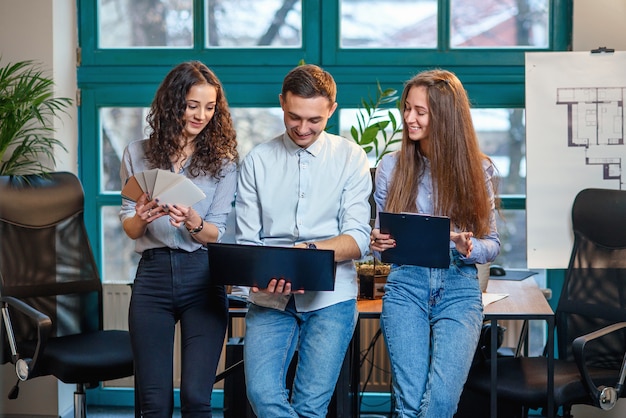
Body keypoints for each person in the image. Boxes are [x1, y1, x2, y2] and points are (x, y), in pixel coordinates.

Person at [235, 64, 372, 417]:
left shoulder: (351, 158)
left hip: (331, 297)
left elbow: (358, 238)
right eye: (294, 117)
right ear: (282, 103)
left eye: (314, 120)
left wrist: (304, 257)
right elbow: (247, 240)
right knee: (263, 395)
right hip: (269, 295)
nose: (302, 128)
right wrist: (271, 272)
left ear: (331, 110)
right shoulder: (258, 161)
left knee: (310, 406)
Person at [370, 69, 501, 418]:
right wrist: (378, 242)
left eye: (420, 112)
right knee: (410, 404)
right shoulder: (390, 167)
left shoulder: (479, 170)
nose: (409, 118)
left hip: (459, 286)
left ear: (444, 118)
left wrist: (467, 247)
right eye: (407, 109)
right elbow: (379, 249)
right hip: (406, 284)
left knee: (440, 403)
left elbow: (492, 244)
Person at [119, 61, 238, 417]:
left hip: (202, 276)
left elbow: (216, 233)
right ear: (173, 104)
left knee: (196, 399)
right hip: (152, 278)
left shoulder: (223, 161)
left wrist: (193, 221)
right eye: (192, 104)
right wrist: (140, 218)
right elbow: (129, 226)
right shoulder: (136, 153)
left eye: (210, 107)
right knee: (153, 404)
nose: (201, 115)